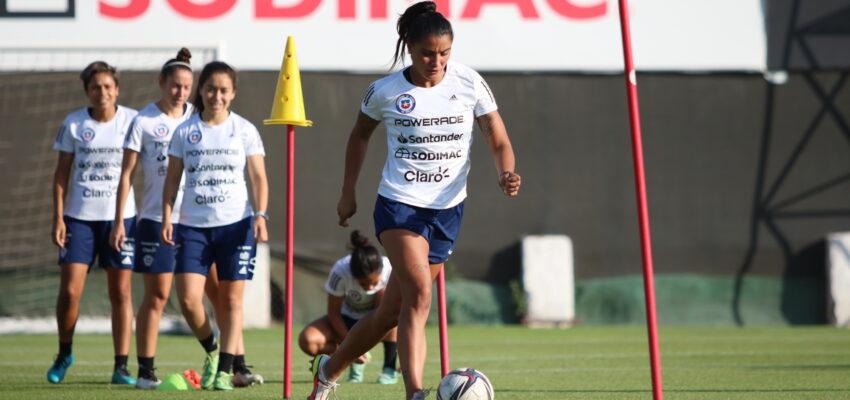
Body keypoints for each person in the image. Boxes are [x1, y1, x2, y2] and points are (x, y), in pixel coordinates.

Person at [308, 2, 521, 399]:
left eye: (444, 52)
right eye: (427, 53)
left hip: (448, 209)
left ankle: (328, 370)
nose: (436, 61)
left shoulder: (469, 83)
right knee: (420, 295)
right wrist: (348, 190)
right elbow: (359, 136)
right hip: (400, 205)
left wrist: (505, 172)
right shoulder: (385, 90)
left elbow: (499, 139)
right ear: (409, 47)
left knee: (391, 312)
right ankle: (415, 393)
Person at [161, 60, 269, 392]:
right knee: (190, 300)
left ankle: (225, 371)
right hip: (192, 227)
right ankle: (211, 350)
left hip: (236, 225)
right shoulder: (184, 131)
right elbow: (172, 179)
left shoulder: (245, 130)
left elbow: (258, 178)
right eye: (210, 89)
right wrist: (167, 216)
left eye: (223, 90)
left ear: (233, 93)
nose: (216, 96)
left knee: (231, 301)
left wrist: (261, 215)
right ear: (201, 91)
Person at [48, 61, 139, 385]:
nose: (102, 92)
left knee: (122, 292)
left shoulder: (132, 121)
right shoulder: (73, 124)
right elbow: (61, 177)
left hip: (121, 219)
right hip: (79, 218)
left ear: (116, 89)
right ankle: (64, 352)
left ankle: (121, 366)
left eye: (107, 87)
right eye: (96, 87)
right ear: (87, 91)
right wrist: (58, 218)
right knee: (71, 291)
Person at [109, 48, 194, 389]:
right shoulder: (143, 121)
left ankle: (229, 363)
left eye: (187, 86)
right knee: (157, 295)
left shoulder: (198, 118)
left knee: (214, 292)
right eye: (175, 85)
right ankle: (145, 369)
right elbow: (126, 175)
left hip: (199, 220)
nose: (181, 92)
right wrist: (119, 221)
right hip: (155, 219)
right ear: (161, 83)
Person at [299, 230, 398, 385]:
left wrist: (360, 345)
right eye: (363, 283)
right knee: (308, 340)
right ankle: (337, 360)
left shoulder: (390, 268)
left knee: (392, 306)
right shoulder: (340, 271)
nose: (369, 287)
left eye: (373, 282)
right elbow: (333, 314)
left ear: (380, 270)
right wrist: (350, 346)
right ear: (353, 275)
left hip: (379, 317)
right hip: (347, 320)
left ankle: (389, 369)